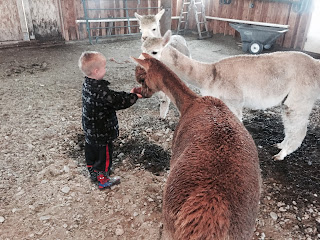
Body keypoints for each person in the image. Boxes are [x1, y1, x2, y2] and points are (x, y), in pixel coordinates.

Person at [78, 51, 142, 189]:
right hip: (102, 131)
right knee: (104, 156)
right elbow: (117, 100)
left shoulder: (87, 84)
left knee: (91, 150)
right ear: (96, 71)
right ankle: (103, 180)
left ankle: (92, 171)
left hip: (90, 128)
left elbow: (110, 97)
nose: (106, 70)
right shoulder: (101, 92)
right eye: (104, 67)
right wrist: (133, 96)